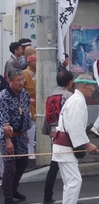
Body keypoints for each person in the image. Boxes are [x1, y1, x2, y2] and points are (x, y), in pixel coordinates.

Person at [52, 74, 98, 204]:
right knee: (74, 181)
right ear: (84, 86)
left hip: (64, 146)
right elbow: (74, 126)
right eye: (91, 86)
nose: (93, 89)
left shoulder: (75, 99)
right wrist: (87, 144)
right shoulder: (77, 101)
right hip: (65, 147)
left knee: (70, 182)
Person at [0, 69, 33, 204]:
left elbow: (25, 112)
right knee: (10, 167)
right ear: (10, 81)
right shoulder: (3, 96)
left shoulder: (24, 94)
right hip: (7, 136)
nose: (21, 83)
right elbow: (3, 120)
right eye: (18, 80)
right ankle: (8, 197)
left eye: (22, 79)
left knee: (23, 162)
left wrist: (25, 132)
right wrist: (7, 140)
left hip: (21, 134)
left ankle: (14, 189)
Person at [42, 71, 74, 204]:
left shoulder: (51, 95)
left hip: (53, 133)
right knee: (69, 167)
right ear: (70, 82)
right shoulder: (69, 96)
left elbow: (47, 117)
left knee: (55, 165)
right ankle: (70, 198)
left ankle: (47, 196)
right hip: (65, 134)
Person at [23, 49, 37, 159]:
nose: (36, 62)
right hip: (30, 105)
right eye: (34, 60)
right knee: (31, 129)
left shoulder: (41, 72)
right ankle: (30, 151)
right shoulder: (25, 73)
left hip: (40, 104)